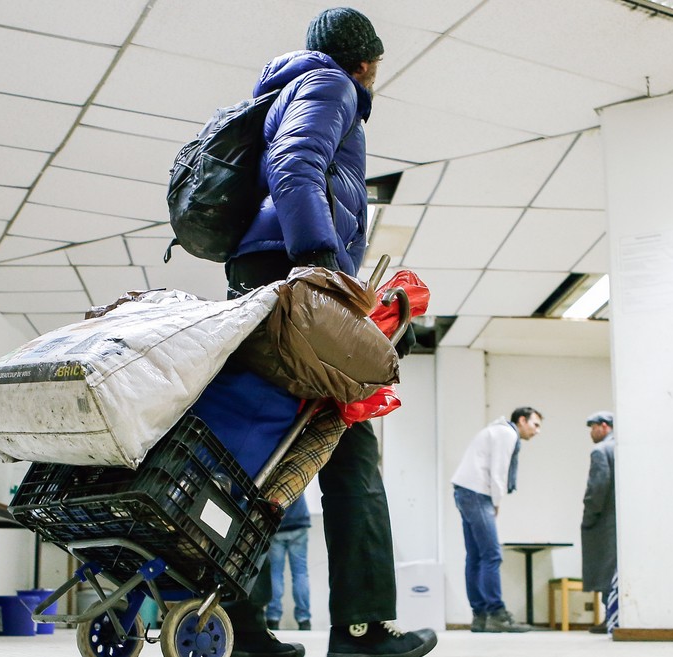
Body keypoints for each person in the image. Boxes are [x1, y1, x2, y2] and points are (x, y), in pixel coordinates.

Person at [221, 8, 435, 657]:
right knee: (352, 446)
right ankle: (363, 627)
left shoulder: (281, 91)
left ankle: (238, 622)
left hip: (266, 278)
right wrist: (327, 268)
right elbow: (296, 166)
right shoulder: (332, 84)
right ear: (366, 62)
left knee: (268, 451)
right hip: (299, 281)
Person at [451, 407, 543, 633]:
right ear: (522, 420)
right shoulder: (507, 433)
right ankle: (497, 613)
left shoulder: (496, 430)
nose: (537, 431)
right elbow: (498, 471)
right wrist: (496, 502)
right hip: (476, 493)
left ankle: (480, 617)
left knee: (475, 556)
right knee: (492, 554)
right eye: (535, 424)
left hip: (464, 490)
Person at [581, 411, 616, 634]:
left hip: (605, 522)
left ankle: (609, 617)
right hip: (623, 521)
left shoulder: (601, 451)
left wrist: (588, 517)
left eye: (592, 427)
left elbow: (597, 489)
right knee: (616, 570)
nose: (591, 433)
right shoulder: (624, 449)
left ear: (603, 426)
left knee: (606, 570)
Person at [266, 497, 312, 631]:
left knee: (275, 573)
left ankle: (273, 618)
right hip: (299, 522)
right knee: (300, 573)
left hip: (277, 525)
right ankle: (304, 620)